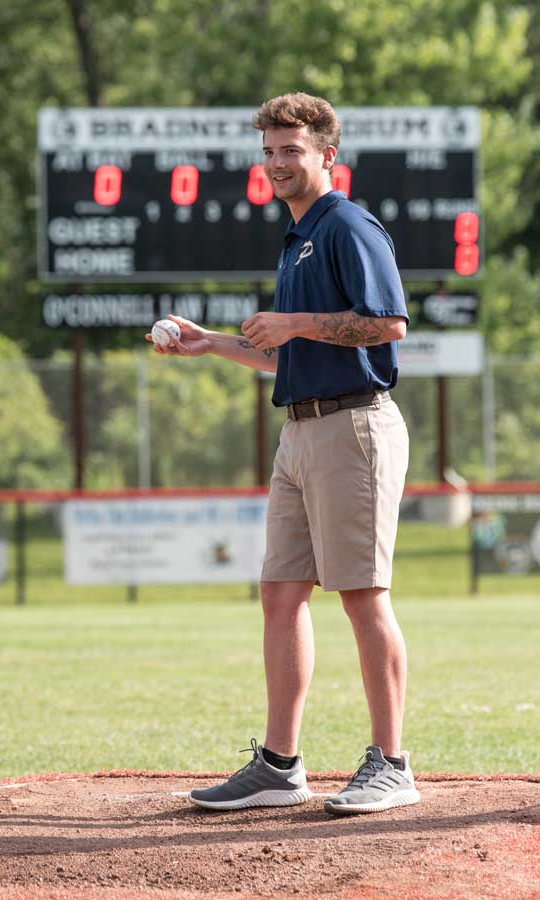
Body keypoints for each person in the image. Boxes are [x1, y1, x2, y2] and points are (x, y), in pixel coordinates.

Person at [146, 92, 419, 816]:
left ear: (329, 155)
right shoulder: (297, 239)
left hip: (353, 427)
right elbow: (288, 355)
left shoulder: (346, 225)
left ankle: (392, 763)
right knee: (280, 595)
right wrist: (211, 344)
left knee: (361, 596)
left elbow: (388, 324)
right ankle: (278, 766)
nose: (277, 164)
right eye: (269, 152)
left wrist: (295, 319)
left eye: (291, 150)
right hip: (300, 430)